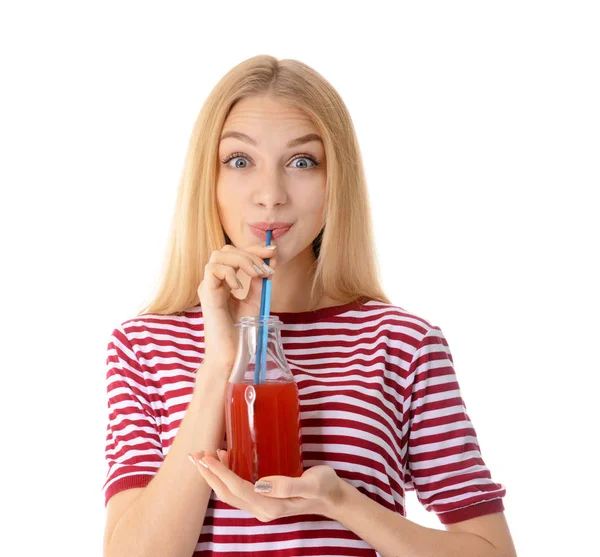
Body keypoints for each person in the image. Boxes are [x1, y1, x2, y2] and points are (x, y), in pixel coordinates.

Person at [102, 55, 517, 557]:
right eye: (239, 160)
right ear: (207, 179)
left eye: (302, 162)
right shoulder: (144, 346)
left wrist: (342, 502)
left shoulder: (403, 344)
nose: (271, 195)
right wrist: (219, 361)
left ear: (335, 180)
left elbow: (492, 552)